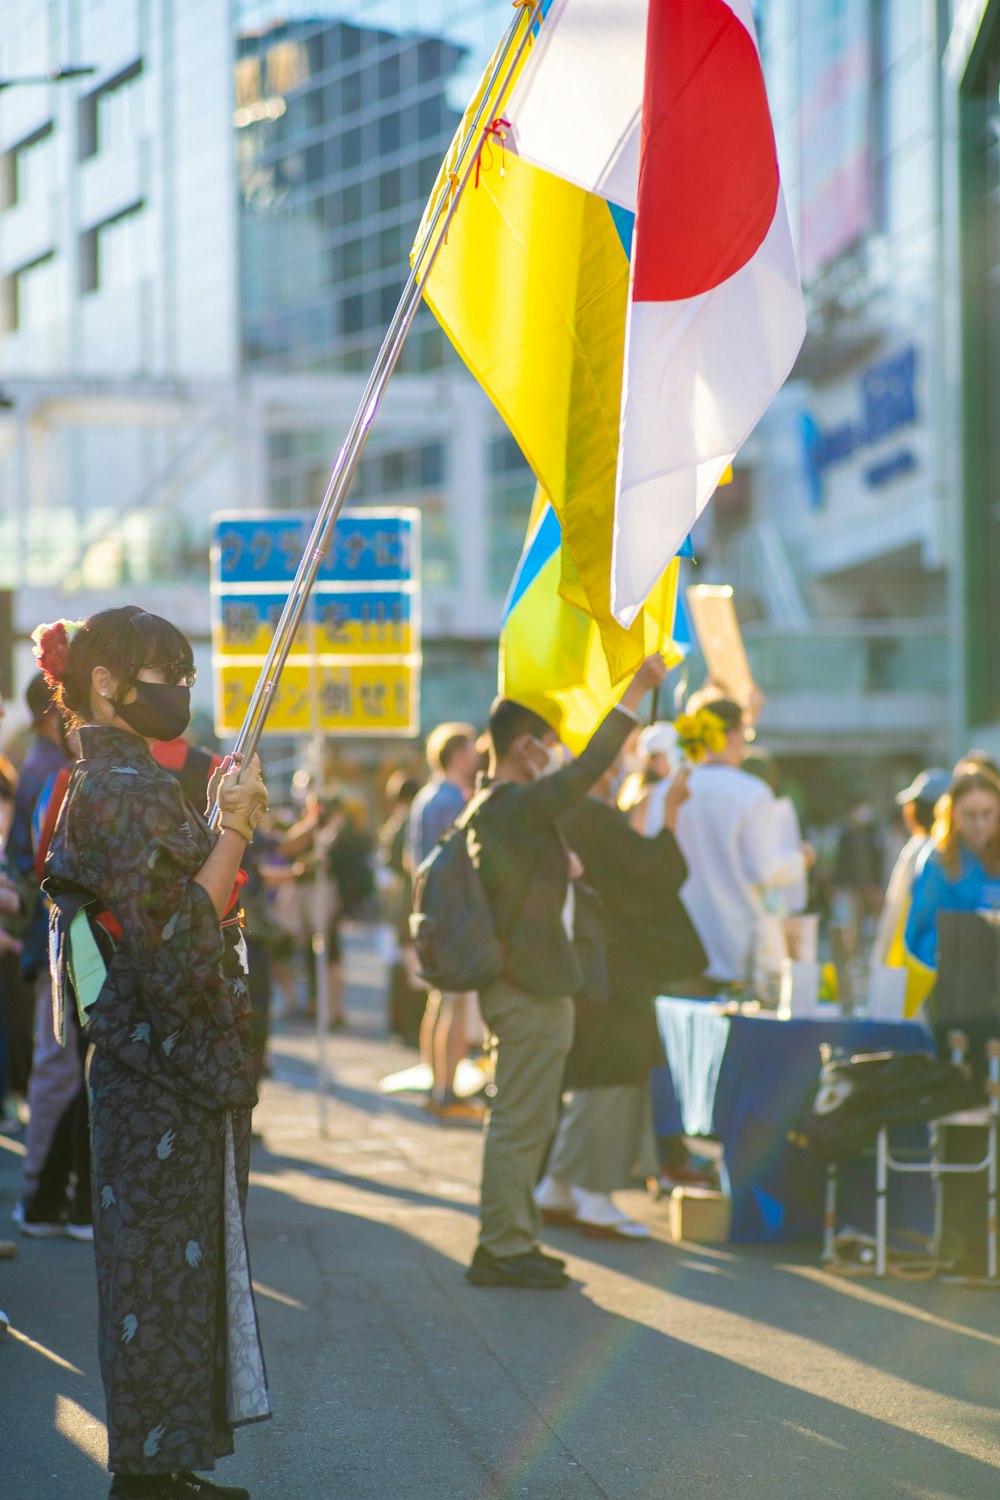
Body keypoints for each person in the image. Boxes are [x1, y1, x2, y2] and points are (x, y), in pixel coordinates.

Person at [39, 607, 270, 1500]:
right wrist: (238, 830)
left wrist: (217, 821)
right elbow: (177, 941)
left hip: (152, 1069)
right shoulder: (124, 789)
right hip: (159, 1070)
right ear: (106, 682)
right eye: (162, 671)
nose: (180, 687)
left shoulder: (117, 780)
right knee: (163, 1276)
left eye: (185, 670)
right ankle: (147, 1474)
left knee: (169, 1272)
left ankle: (161, 1466)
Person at [466, 653, 667, 1290]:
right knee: (521, 1124)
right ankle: (500, 1248)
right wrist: (633, 693)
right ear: (527, 747)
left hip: (531, 985)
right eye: (551, 744)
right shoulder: (512, 805)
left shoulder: (502, 809)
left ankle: (516, 1238)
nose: (559, 754)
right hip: (527, 989)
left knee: (529, 1123)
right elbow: (584, 774)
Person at [534, 756, 704, 1238]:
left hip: (580, 961)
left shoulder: (557, 811)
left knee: (591, 1073)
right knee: (614, 1075)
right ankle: (595, 1194)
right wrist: (669, 809)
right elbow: (653, 871)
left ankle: (559, 1186)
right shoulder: (588, 813)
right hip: (614, 967)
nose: (617, 766)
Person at [672, 697, 814, 989]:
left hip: (681, 942)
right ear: (735, 734)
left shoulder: (672, 789)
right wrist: (802, 858)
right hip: (737, 946)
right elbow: (766, 870)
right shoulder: (752, 793)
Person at [9, 672, 79, 1237]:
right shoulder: (45, 771)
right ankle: (39, 1195)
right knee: (58, 1068)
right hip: (54, 939)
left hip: (49, 940)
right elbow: (38, 866)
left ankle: (44, 1194)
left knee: (57, 1066)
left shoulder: (40, 764)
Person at [408, 723, 482, 1118]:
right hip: (451, 913)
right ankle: (445, 1092)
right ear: (457, 756)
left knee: (437, 1000)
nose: (477, 756)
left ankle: (434, 1082)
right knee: (452, 1004)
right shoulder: (454, 800)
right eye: (471, 750)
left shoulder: (425, 797)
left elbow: (410, 860)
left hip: (427, 911)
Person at [905, 766, 1000, 972]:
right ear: (952, 813)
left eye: (987, 813)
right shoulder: (937, 862)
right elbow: (915, 934)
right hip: (952, 984)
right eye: (969, 815)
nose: (980, 824)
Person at [872, 767, 950, 967]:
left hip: (910, 957)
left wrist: (880, 961)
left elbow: (894, 909)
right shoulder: (949, 851)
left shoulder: (918, 849)